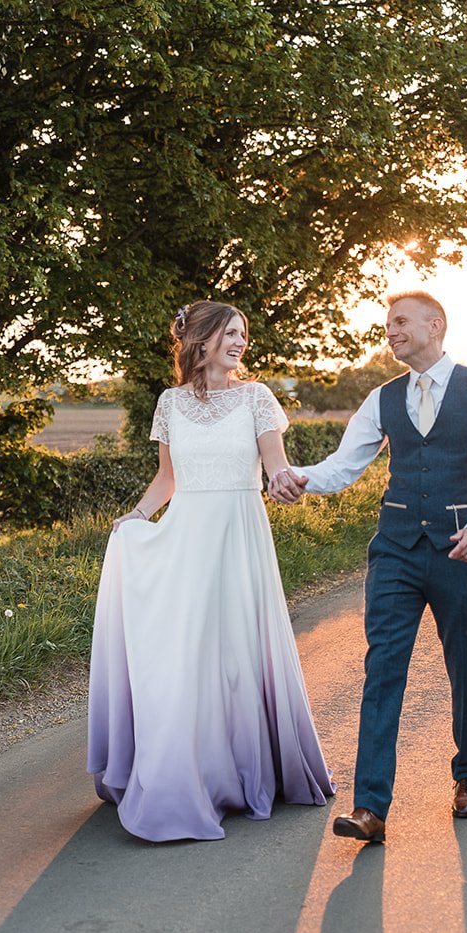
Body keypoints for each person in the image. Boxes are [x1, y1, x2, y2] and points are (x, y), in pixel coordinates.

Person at [269, 290, 467, 843]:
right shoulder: (382, 398)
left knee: (466, 665)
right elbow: (343, 466)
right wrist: (298, 477)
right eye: (388, 324)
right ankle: (370, 808)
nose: (391, 331)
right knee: (382, 669)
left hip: (462, 550)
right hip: (396, 551)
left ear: (436, 326)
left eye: (401, 322)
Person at [87, 300, 335, 841]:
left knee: (239, 651)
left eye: (243, 334)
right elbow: (167, 480)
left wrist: (285, 484)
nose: (240, 341)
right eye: (229, 332)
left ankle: (251, 772)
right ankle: (194, 770)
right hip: (188, 534)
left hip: (241, 530)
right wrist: (134, 517)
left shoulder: (257, 397)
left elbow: (275, 466)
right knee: (190, 653)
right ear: (200, 341)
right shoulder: (170, 403)